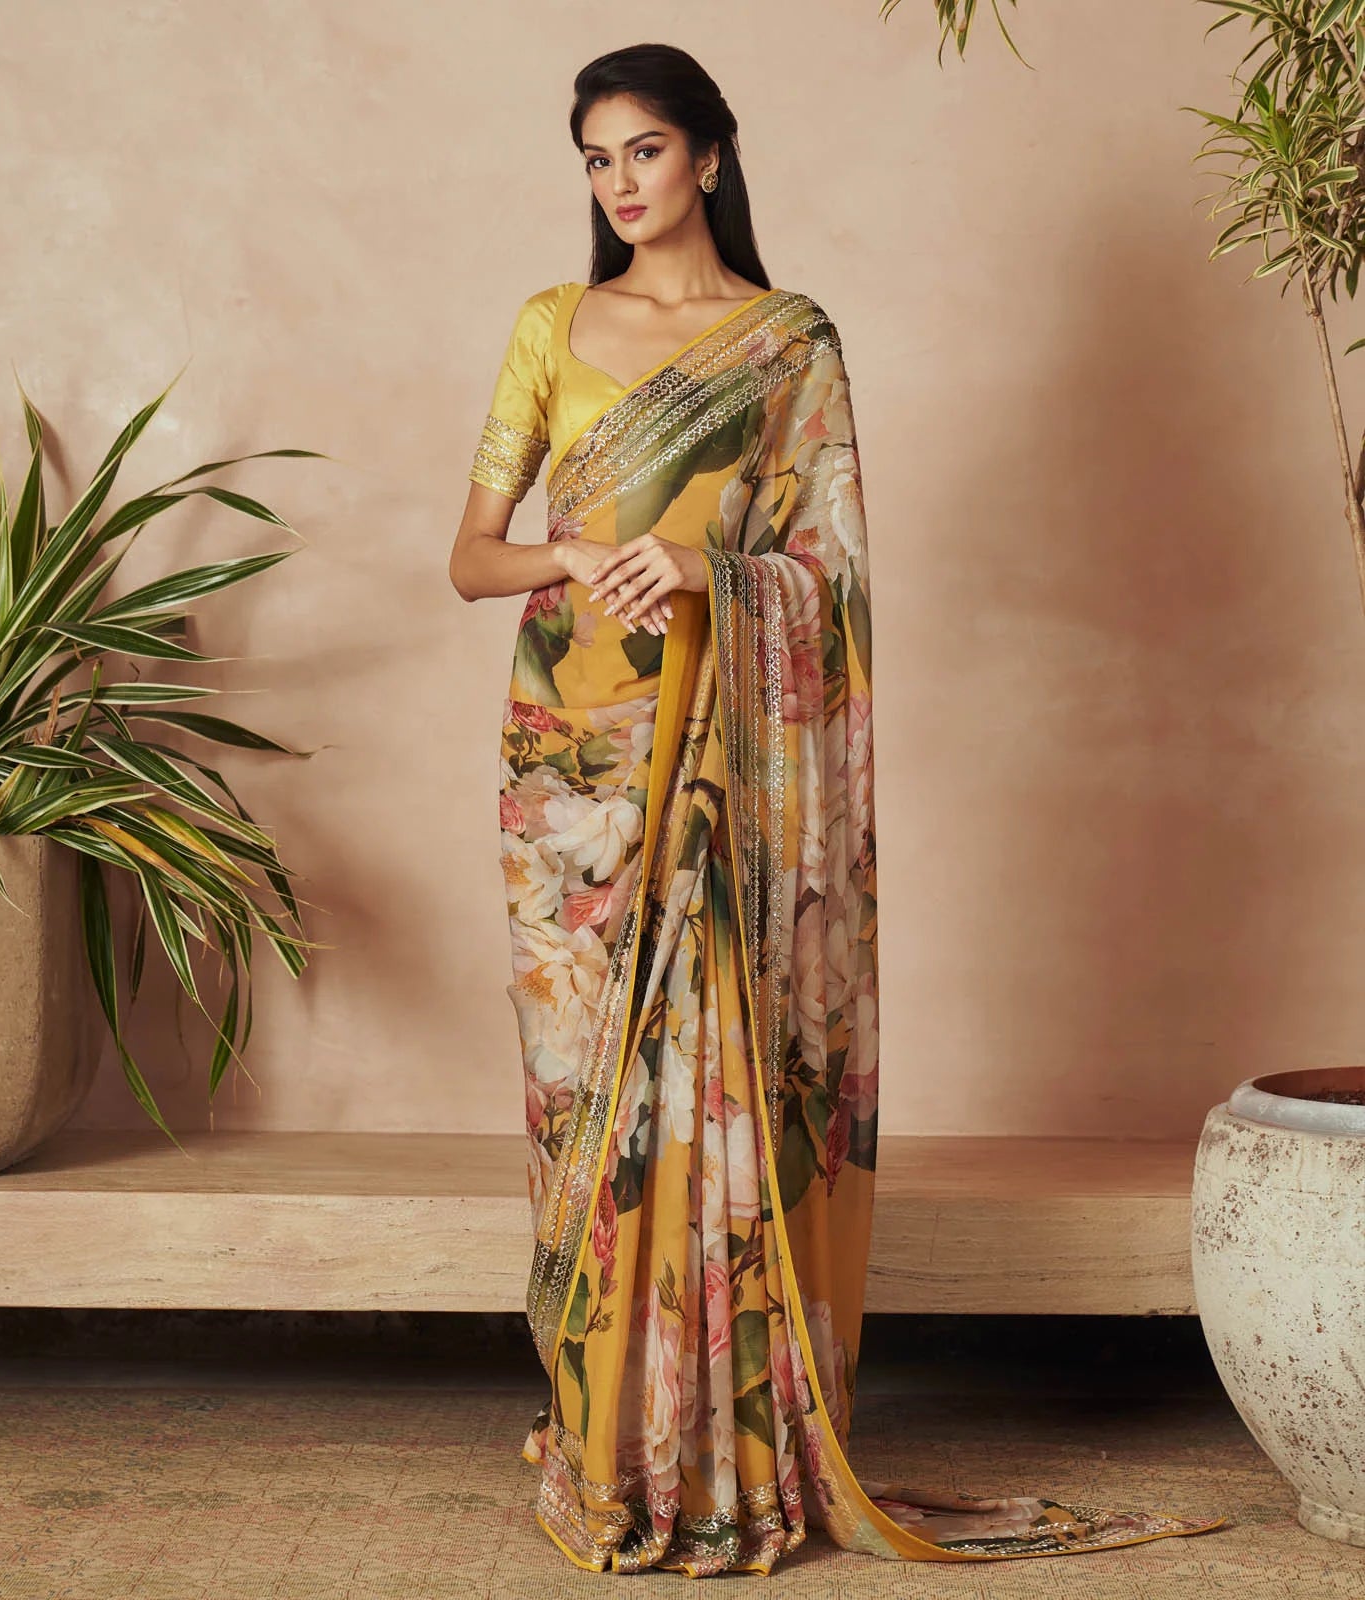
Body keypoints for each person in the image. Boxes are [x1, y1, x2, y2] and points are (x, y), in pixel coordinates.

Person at [448, 40, 1230, 1579]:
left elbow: (836, 579)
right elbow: (472, 557)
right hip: (569, 761)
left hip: (721, 760)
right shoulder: (552, 324)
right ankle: (608, 1433)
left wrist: (706, 572)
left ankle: (717, 1448)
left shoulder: (788, 344)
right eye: (598, 158)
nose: (620, 181)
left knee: (709, 1088)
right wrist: (574, 555)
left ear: (710, 156)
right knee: (581, 1101)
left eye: (645, 149)